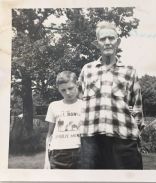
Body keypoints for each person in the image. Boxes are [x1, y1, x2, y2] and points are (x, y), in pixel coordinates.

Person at [78, 21, 144, 169]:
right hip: (91, 139)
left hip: (123, 138)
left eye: (111, 38)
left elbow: (138, 107)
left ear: (118, 42)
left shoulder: (130, 70)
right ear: (97, 43)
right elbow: (81, 99)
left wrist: (135, 134)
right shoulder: (87, 70)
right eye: (103, 39)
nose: (107, 42)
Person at [45, 71, 81, 169]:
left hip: (81, 151)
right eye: (63, 90)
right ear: (58, 90)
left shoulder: (85, 105)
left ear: (77, 84)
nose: (67, 93)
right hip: (58, 153)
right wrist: (46, 161)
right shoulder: (54, 106)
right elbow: (49, 135)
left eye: (70, 88)